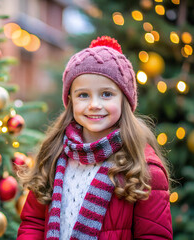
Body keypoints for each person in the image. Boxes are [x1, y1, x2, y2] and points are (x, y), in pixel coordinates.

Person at [17, 36, 172, 240]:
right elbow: (34, 223)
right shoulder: (54, 154)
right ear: (70, 100)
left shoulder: (143, 167)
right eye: (83, 95)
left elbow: (154, 235)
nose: (94, 105)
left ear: (125, 100)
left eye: (106, 94)